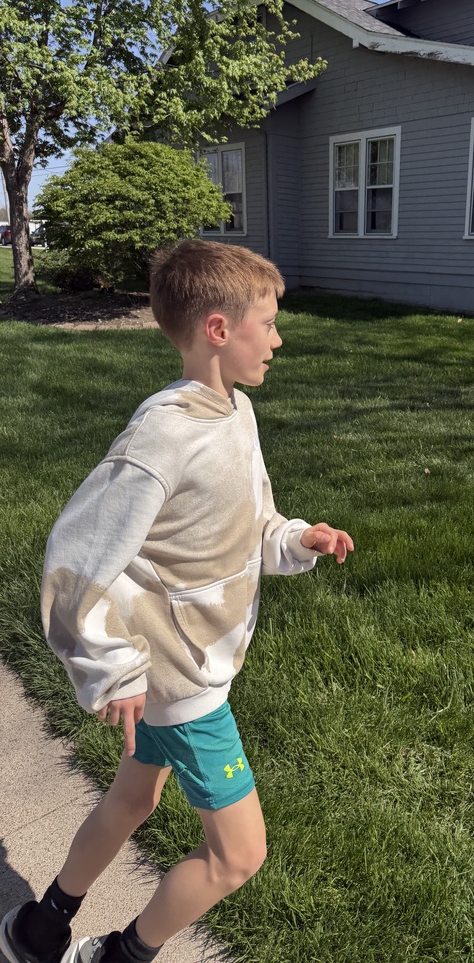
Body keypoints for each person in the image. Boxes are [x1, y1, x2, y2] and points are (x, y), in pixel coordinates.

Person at [0, 240, 354, 963]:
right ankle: (120, 955)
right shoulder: (161, 435)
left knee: (134, 800)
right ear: (219, 330)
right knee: (238, 856)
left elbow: (249, 523)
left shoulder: (236, 413)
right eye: (270, 322)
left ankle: (39, 931)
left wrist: (295, 539)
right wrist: (114, 668)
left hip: (188, 659)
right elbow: (76, 557)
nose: (280, 338)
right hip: (184, 680)